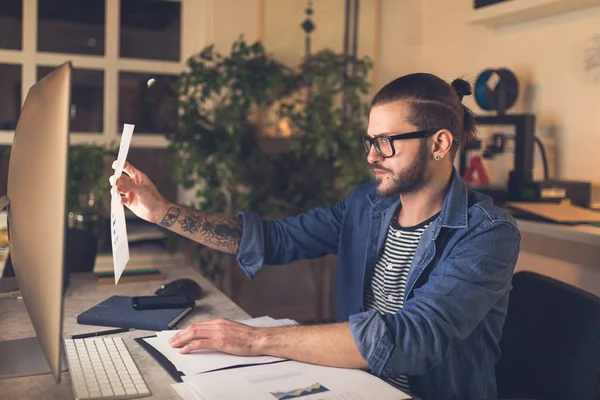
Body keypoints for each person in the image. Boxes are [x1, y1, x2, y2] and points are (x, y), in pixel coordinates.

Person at [111, 73, 521, 400]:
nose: (371, 156)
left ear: (440, 143)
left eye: (385, 143)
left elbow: (409, 338)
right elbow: (274, 238)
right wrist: (160, 211)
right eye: (370, 141)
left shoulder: (487, 234)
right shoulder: (365, 206)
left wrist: (256, 340)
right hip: (355, 385)